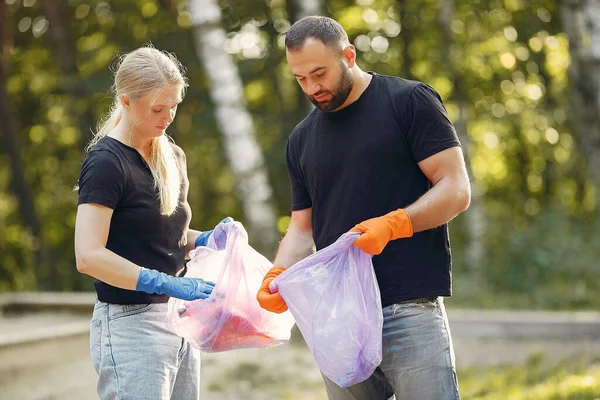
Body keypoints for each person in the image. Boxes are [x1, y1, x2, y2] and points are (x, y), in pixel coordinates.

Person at [257, 16, 470, 400]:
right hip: (339, 316)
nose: (312, 87)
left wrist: (396, 223)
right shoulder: (301, 139)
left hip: (409, 306)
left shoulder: (409, 101)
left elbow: (456, 188)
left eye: (319, 73)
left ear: (349, 55)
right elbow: (302, 228)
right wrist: (278, 272)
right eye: (300, 78)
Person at [74, 46, 227, 399]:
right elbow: (88, 255)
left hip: (179, 321)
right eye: (159, 108)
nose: (169, 115)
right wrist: (164, 283)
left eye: (174, 104)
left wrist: (206, 239)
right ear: (126, 101)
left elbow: (166, 239)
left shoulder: (172, 156)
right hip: (131, 326)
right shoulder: (106, 163)